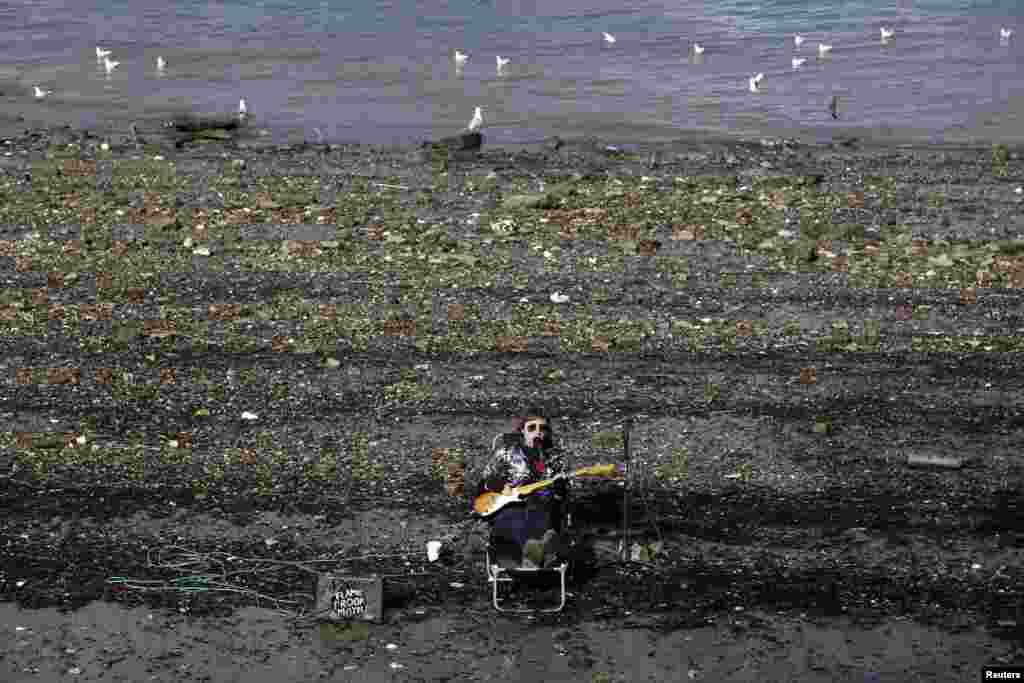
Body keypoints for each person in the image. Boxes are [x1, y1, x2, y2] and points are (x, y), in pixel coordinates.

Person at [477, 413, 566, 569]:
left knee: (544, 514)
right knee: (512, 517)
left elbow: (563, 491)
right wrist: (501, 487)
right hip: (510, 502)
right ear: (522, 430)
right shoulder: (507, 452)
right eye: (532, 427)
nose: (537, 432)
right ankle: (540, 552)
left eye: (543, 428)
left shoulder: (554, 457)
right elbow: (486, 479)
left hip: (542, 502)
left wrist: (559, 485)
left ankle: (537, 552)